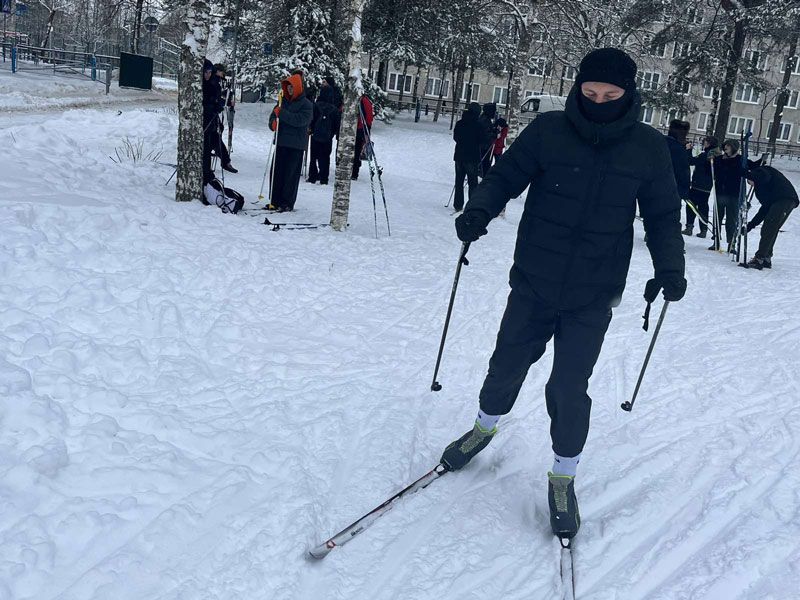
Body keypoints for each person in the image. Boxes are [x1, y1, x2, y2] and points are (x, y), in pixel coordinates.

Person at [440, 48, 686, 541]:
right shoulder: (548, 131)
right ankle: (484, 428)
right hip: (535, 277)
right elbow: (505, 177)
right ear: (578, 89)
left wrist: (669, 269)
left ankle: (563, 477)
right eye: (590, 93)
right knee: (506, 363)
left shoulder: (647, 147)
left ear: (628, 94)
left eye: (609, 95)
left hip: (592, 294)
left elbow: (662, 215)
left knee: (568, 387)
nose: (598, 102)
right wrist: (479, 211)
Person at [268, 72, 313, 211]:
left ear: (298, 87)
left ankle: (287, 202)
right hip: (281, 142)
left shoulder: (306, 105)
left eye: (292, 87)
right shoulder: (282, 101)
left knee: (290, 175)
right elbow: (273, 115)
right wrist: (272, 123)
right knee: (276, 173)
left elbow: (300, 121)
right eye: (288, 87)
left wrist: (281, 113)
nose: (289, 89)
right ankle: (274, 200)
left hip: (295, 145)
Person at [743, 165, 799, 269]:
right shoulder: (760, 188)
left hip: (785, 199)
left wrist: (746, 173)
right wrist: (750, 226)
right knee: (770, 228)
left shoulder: (762, 172)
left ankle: (759, 258)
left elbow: (764, 177)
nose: (751, 184)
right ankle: (766, 257)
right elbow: (764, 210)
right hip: (784, 200)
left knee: (769, 228)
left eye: (750, 181)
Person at [202, 59, 237, 185]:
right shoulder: (212, 81)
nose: (208, 74)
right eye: (206, 72)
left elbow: (218, 98)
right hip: (208, 118)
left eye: (209, 72)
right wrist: (219, 104)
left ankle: (223, 161)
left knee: (215, 138)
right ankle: (222, 162)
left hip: (212, 117)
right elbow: (210, 99)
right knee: (212, 140)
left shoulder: (217, 81)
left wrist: (223, 103)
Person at [684, 136, 719, 238]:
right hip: (707, 186)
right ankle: (703, 229)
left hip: (698, 184)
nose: (704, 144)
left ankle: (689, 227)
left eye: (705, 142)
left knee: (691, 205)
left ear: (709, 144)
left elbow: (690, 161)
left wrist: (688, 150)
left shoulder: (706, 155)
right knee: (703, 206)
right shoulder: (716, 155)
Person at [710, 139, 742, 251]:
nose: (726, 147)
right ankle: (716, 240)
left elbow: (752, 167)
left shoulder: (740, 160)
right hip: (720, 193)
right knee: (717, 217)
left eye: (728, 146)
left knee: (731, 219)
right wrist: (709, 160)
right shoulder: (719, 159)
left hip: (733, 194)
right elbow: (708, 169)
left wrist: (761, 160)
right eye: (725, 145)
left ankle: (731, 242)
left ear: (734, 147)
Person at [452, 102, 483, 213]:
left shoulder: (460, 123)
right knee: (472, 183)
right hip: (471, 157)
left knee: (459, 181)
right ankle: (472, 206)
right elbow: (482, 141)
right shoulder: (478, 125)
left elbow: (455, 137)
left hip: (459, 156)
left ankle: (457, 204)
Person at [308, 85, 340, 185]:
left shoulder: (316, 106)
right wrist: (332, 133)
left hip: (315, 135)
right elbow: (337, 124)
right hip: (327, 138)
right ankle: (324, 178)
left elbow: (311, 120)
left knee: (313, 157)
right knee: (325, 158)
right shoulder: (334, 109)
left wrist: (311, 129)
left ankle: (312, 176)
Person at [352, 95, 374, 180]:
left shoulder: (364, 101)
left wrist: (367, 130)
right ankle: (353, 171)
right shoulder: (364, 100)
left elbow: (368, 118)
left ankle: (354, 172)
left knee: (357, 151)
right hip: (357, 129)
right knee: (355, 151)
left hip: (359, 129)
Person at [478, 102, 498, 177]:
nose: (494, 113)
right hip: (484, 147)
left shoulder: (486, 119)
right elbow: (485, 134)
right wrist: (494, 134)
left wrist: (493, 129)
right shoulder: (484, 120)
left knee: (486, 163)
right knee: (485, 164)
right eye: (494, 111)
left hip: (485, 146)